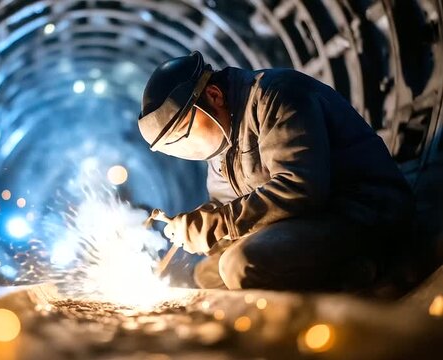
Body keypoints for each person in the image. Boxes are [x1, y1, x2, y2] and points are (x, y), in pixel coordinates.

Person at [138, 51, 416, 292]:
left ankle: (368, 270)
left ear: (213, 95)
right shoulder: (222, 141)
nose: (185, 146)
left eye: (182, 132)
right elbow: (227, 206)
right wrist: (196, 226)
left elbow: (300, 187)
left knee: (239, 265)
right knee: (208, 273)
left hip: (361, 212)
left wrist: (220, 223)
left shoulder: (276, 95)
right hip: (309, 220)